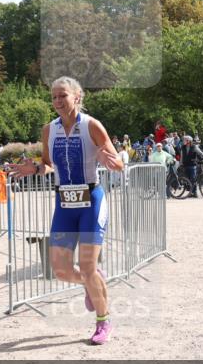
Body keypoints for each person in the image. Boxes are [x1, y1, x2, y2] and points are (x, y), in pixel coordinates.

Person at [9, 76, 123, 345]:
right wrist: (35, 169)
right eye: (54, 97)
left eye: (63, 96)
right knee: (60, 270)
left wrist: (109, 160)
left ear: (77, 97)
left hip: (91, 201)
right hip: (65, 204)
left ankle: (103, 322)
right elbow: (48, 164)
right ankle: (91, 281)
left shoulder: (91, 125)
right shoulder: (49, 130)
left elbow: (118, 163)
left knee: (87, 265)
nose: (58, 101)